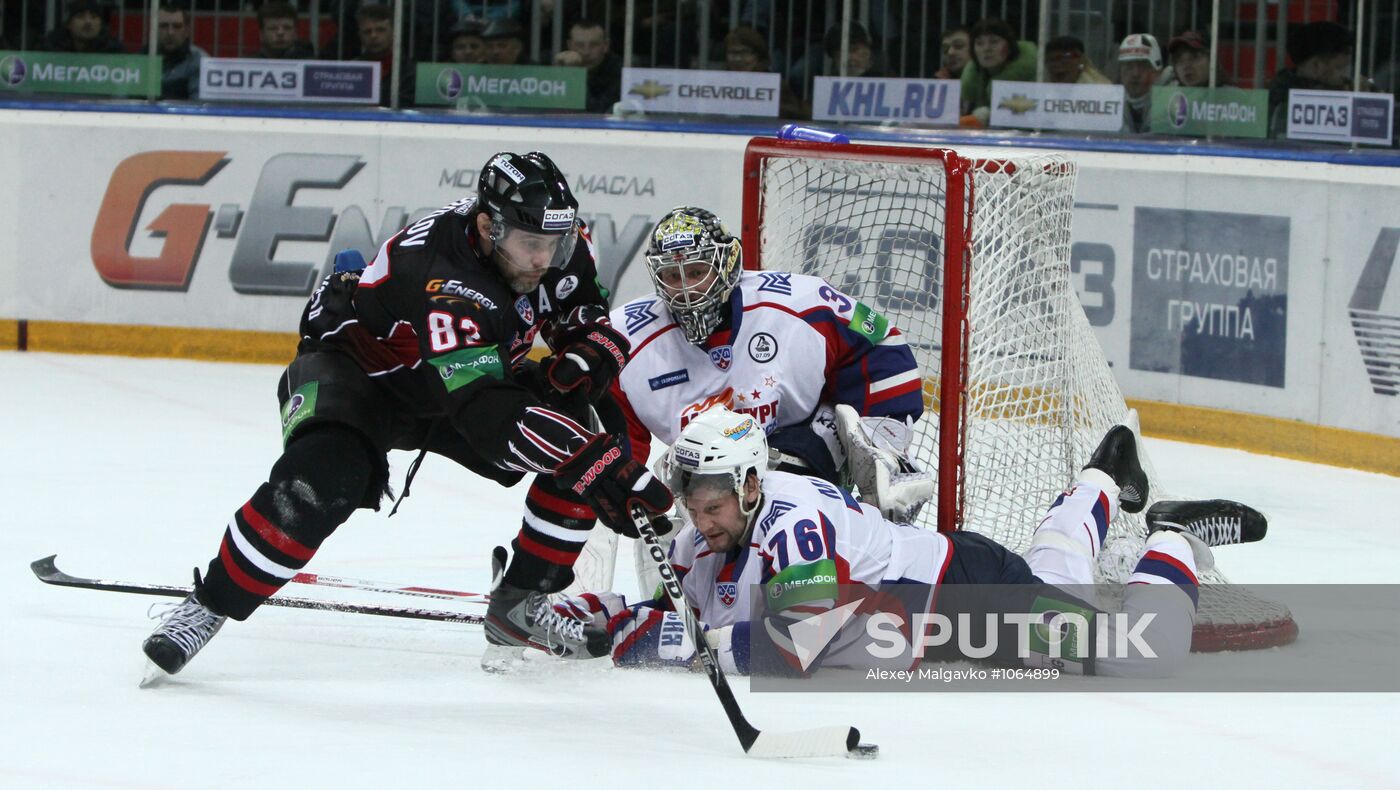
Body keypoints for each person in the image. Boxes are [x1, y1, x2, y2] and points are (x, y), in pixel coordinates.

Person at [139, 151, 674, 679]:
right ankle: (209, 604)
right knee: (323, 480)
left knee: (582, 421)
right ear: (488, 227)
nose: (542, 258)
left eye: (550, 244)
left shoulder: (553, 241)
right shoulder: (447, 279)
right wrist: (592, 461)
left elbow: (580, 309)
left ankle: (520, 603)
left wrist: (589, 348)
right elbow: (483, 410)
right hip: (361, 376)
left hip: (456, 379)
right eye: (529, 245)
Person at [566, 406, 1266, 678]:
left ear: (752, 485)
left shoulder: (793, 519)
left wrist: (704, 644)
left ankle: (1171, 531)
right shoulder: (700, 534)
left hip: (973, 599)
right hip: (953, 589)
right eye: (691, 499)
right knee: (1059, 582)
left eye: (712, 501)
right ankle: (1101, 481)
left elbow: (816, 642)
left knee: (1139, 651)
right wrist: (600, 615)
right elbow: (678, 620)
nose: (699, 516)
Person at [606, 206, 931, 526]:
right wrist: (623, 479)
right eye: (673, 276)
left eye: (696, 272)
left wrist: (885, 442)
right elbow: (615, 431)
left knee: (777, 497)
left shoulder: (802, 304)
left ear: (727, 263)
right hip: (704, 467)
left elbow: (880, 343)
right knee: (688, 520)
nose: (687, 289)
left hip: (802, 444)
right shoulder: (624, 338)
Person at [1267, 21, 1360, 137]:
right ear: (1316, 66)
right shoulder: (1286, 106)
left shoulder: (1276, 95)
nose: (1346, 77)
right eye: (1340, 68)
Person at [959, 17, 1037, 126]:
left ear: (1009, 46)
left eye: (994, 42)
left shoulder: (1033, 79)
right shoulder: (972, 82)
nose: (986, 48)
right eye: (979, 43)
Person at [723, 26, 807, 119]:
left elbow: (796, 113)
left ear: (759, 55)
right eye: (733, 53)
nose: (738, 59)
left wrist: (764, 107)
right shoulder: (717, 82)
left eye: (745, 52)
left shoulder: (772, 83)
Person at [552, 18, 621, 113]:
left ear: (606, 45)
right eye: (579, 45)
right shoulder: (559, 63)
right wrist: (557, 72)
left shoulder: (618, 72)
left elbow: (596, 113)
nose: (586, 52)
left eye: (594, 45)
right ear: (570, 45)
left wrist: (573, 74)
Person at [1116, 33, 1164, 134]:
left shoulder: (1171, 102)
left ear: (1157, 70)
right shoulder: (1112, 103)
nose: (1135, 74)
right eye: (1129, 66)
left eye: (1143, 65)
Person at [156, 4, 205, 100]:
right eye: (164, 26)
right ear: (154, 29)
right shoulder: (143, 57)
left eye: (177, 26)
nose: (170, 32)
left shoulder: (199, 60)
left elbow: (199, 107)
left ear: (186, 31)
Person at [41, 0, 125, 53]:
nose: (88, 22)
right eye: (80, 16)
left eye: (94, 17)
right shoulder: (50, 48)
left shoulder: (113, 50)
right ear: (68, 24)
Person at [1043, 35, 1111, 85]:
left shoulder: (1099, 89)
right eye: (1051, 60)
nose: (1056, 65)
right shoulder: (1043, 88)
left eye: (1061, 59)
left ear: (1079, 60)